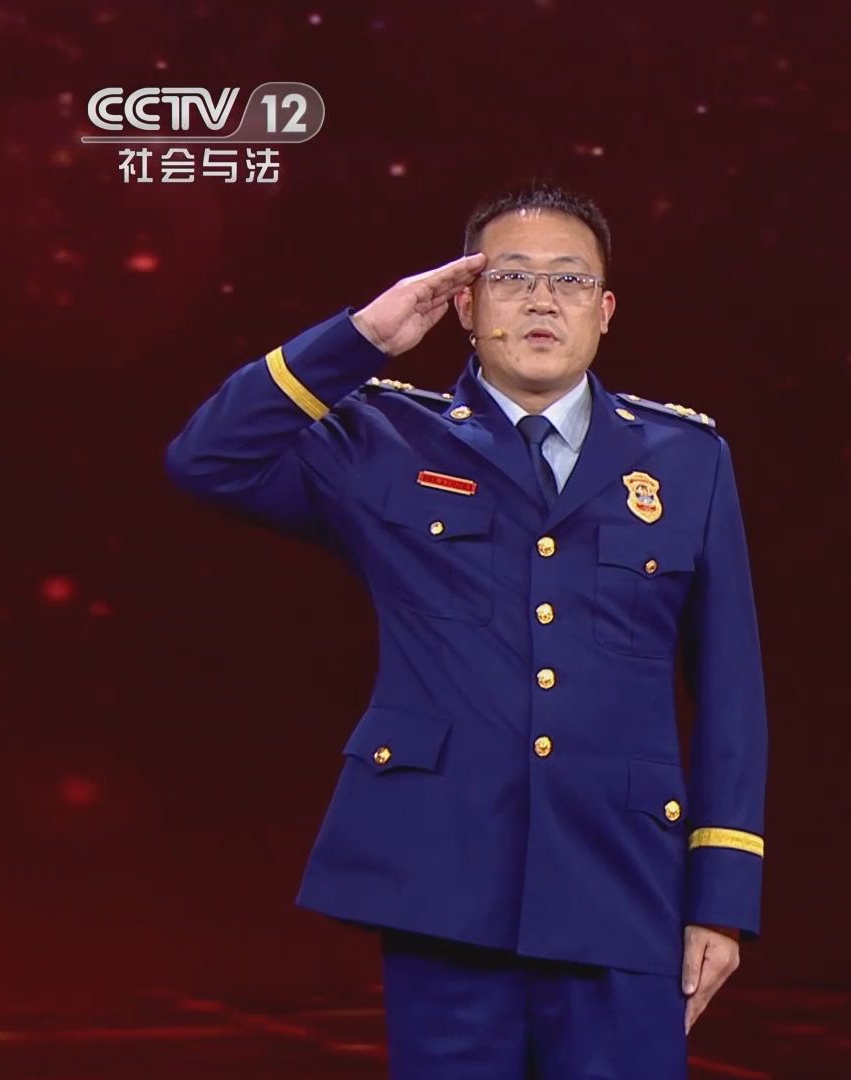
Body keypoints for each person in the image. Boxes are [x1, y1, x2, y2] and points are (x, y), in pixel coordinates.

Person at [164, 181, 767, 1079]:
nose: (541, 299)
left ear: (604, 311)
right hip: (443, 874)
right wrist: (361, 338)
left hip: (623, 877)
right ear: (464, 305)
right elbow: (206, 459)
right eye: (511, 276)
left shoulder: (686, 459)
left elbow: (729, 690)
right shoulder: (384, 439)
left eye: (570, 279)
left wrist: (720, 898)